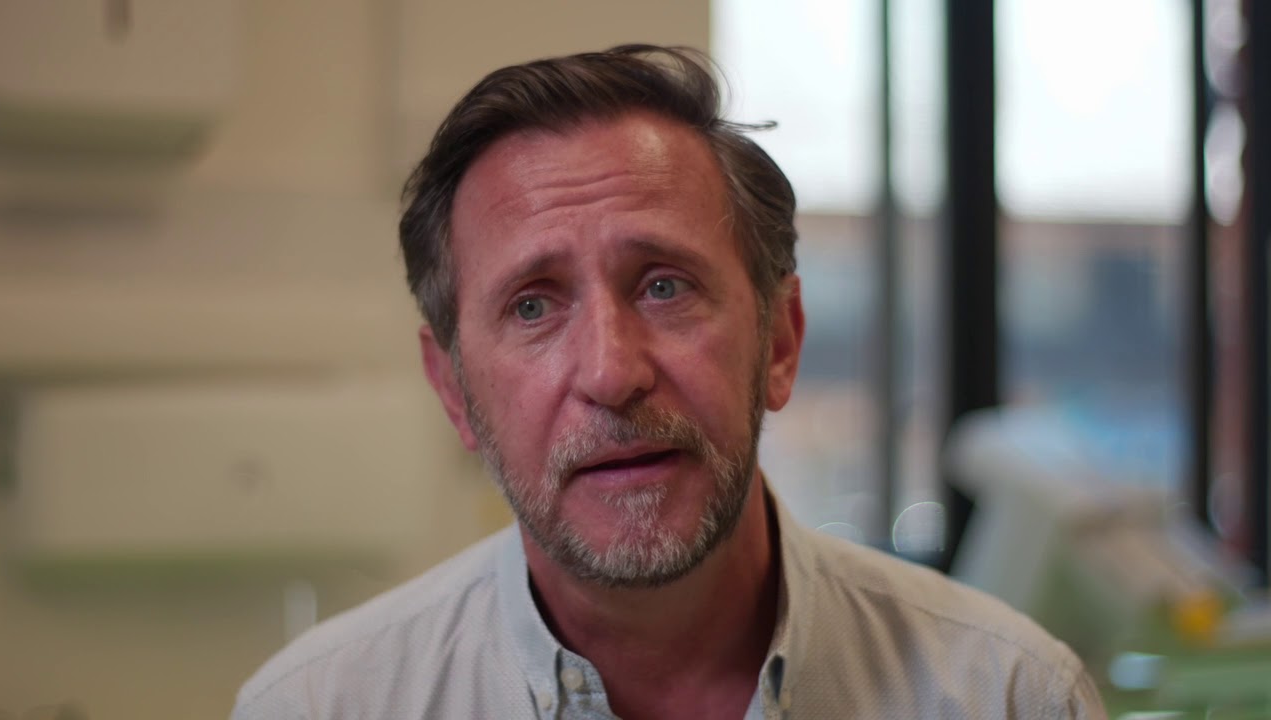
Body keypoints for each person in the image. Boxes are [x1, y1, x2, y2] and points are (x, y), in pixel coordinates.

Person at [233, 45, 1106, 719]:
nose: (613, 373)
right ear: (454, 391)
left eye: (664, 287)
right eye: (533, 307)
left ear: (779, 342)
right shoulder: (318, 706)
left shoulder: (1008, 695)